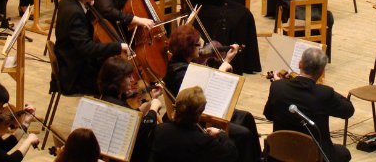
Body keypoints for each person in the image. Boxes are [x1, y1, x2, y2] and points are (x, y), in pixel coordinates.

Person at [163, 25, 261, 162]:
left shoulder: (179, 64)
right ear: (189, 48)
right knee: (243, 134)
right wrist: (222, 68)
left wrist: (227, 60)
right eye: (198, 45)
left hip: (204, 110)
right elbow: (203, 96)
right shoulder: (180, 73)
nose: (201, 49)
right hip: (197, 118)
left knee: (247, 117)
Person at [264, 47, 354, 162]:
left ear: (300, 64)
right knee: (343, 153)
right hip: (313, 156)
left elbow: (269, 115)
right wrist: (323, 89)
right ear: (322, 71)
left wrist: (283, 83)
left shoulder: (278, 87)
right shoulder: (324, 93)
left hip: (280, 153)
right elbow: (348, 110)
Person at [54, 0, 130, 95]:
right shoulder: (75, 14)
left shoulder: (66, 1)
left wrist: (88, 5)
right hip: (75, 74)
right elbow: (86, 48)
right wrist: (118, 46)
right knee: (115, 82)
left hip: (71, 60)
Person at [98, 57, 162, 162]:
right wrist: (153, 110)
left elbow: (133, 117)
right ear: (117, 80)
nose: (132, 80)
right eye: (128, 76)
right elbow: (144, 126)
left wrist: (149, 104)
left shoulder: (108, 97)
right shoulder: (119, 106)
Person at [150, 86, 238, 162]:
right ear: (199, 113)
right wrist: (221, 134)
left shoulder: (159, 129)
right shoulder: (204, 142)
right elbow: (230, 154)